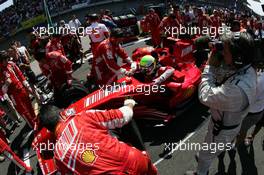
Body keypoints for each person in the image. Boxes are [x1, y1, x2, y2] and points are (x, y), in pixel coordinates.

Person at [186, 32, 257, 175]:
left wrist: (209, 67)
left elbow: (205, 95)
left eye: (225, 51)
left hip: (222, 130)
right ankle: (224, 148)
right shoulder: (247, 68)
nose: (222, 54)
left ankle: (200, 172)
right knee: (217, 144)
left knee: (205, 156)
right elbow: (227, 74)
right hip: (227, 123)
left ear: (238, 57)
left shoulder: (237, 90)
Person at [39, 100, 157, 175]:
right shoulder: (82, 117)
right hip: (135, 160)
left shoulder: (58, 156)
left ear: (48, 130)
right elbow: (124, 116)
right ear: (61, 113)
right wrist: (129, 103)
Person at [0, 51, 37, 128]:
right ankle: (33, 125)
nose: (7, 61)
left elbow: (20, 74)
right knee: (23, 111)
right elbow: (2, 91)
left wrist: (26, 84)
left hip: (21, 88)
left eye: (7, 59)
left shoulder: (11, 64)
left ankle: (36, 120)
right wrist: (6, 85)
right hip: (13, 95)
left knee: (29, 105)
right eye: (5, 60)